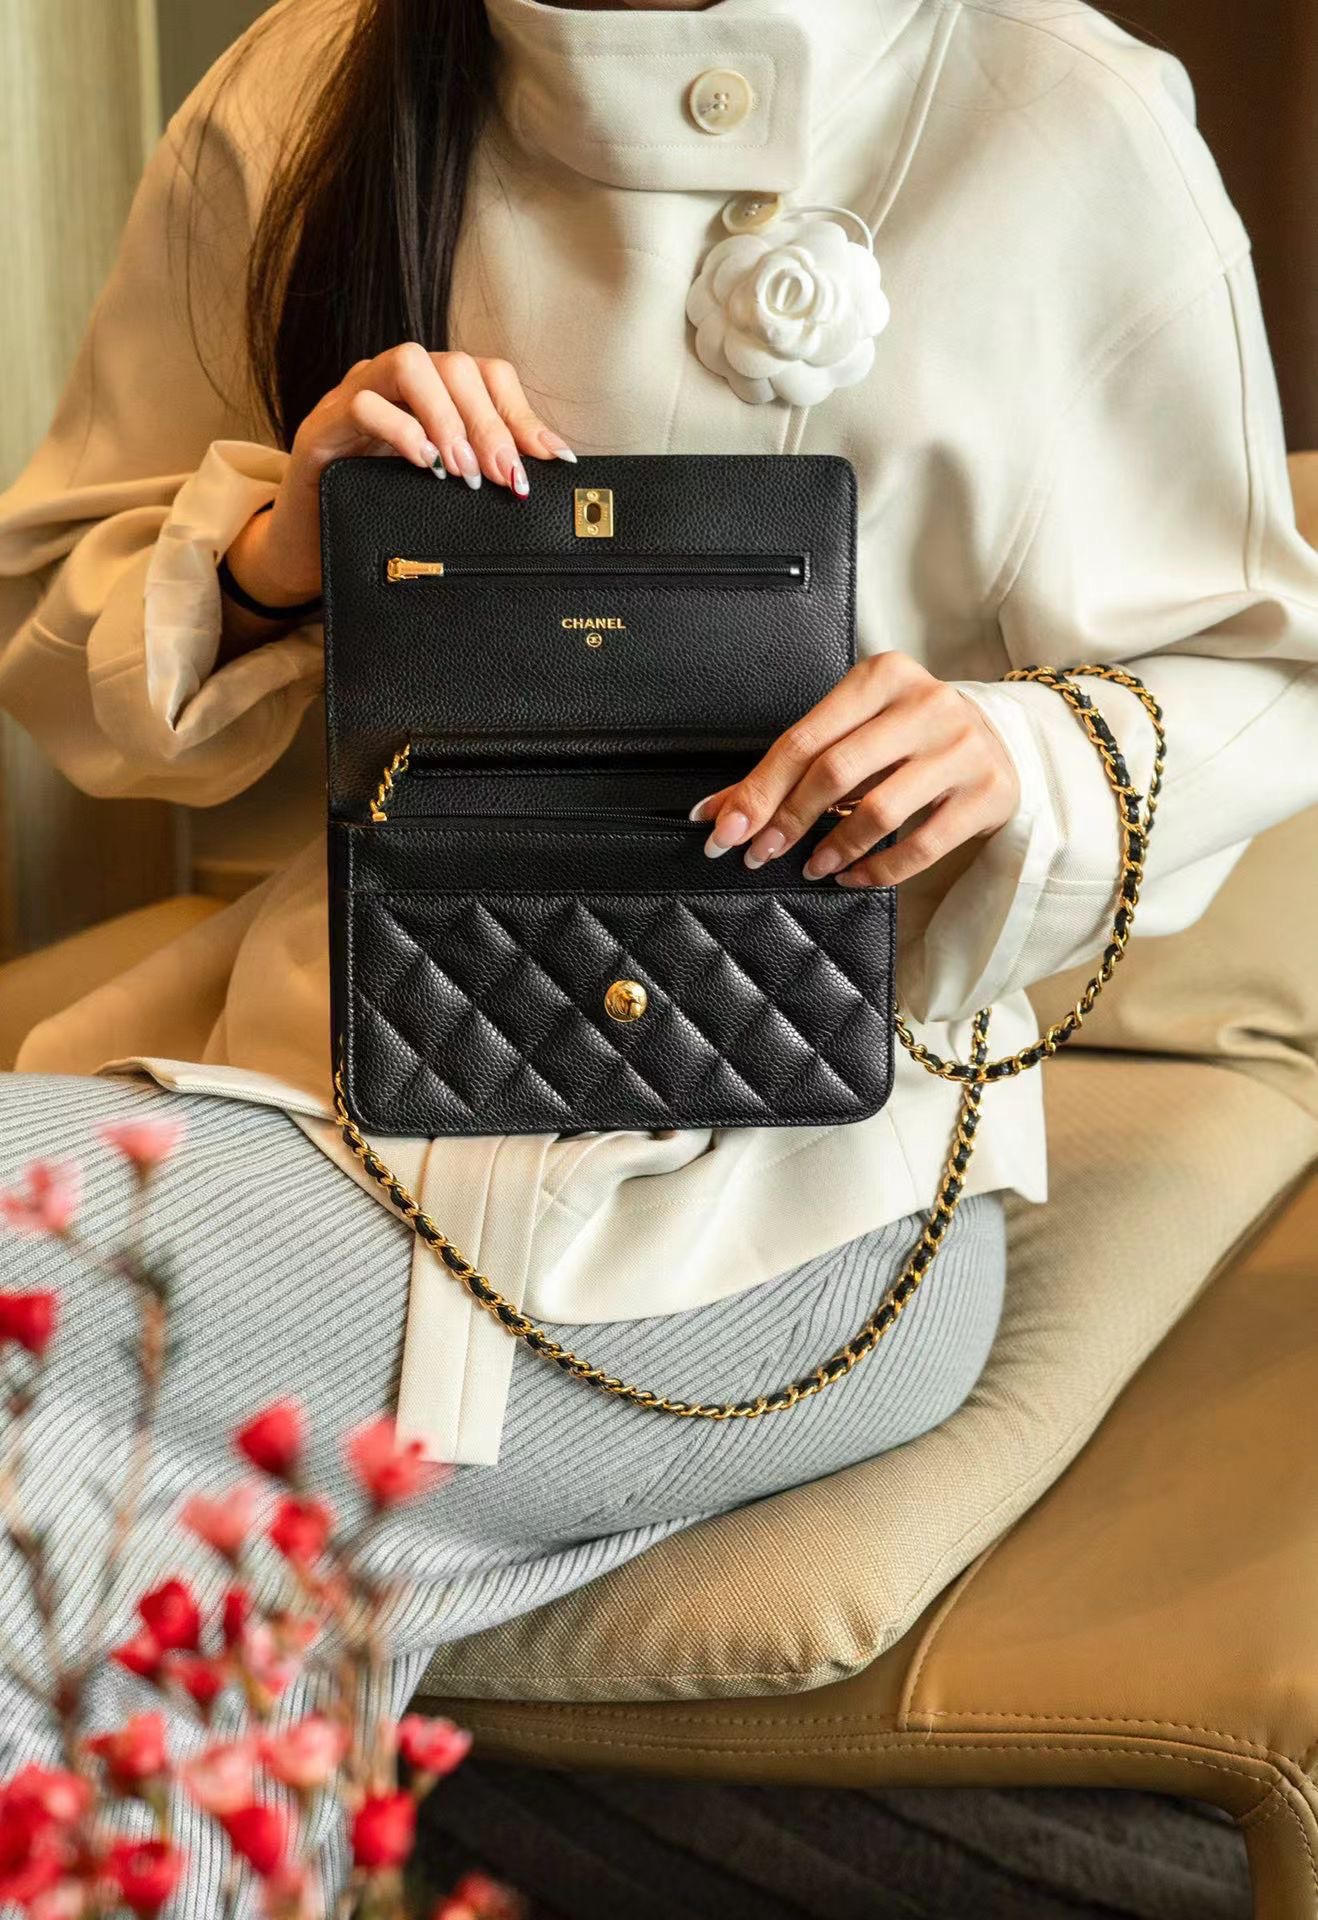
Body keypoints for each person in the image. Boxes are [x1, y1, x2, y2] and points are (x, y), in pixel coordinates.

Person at [0, 0, 1315, 1906]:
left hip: (804, 1194)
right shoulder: (306, 81)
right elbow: (58, 620)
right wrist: (280, 544)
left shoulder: (1064, 110)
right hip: (327, 1076)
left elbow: (1265, 673)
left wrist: (1016, 749)